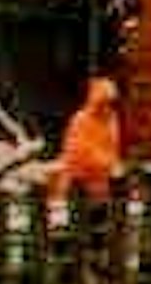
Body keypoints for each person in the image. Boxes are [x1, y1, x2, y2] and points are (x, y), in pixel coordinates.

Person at [50, 74, 124, 203]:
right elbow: (79, 151)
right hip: (78, 180)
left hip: (101, 180)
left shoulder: (112, 120)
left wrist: (114, 163)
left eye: (112, 103)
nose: (108, 107)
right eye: (105, 102)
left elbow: (112, 147)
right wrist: (106, 162)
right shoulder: (80, 119)